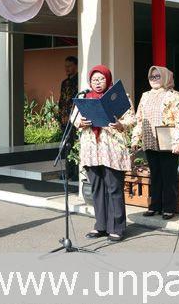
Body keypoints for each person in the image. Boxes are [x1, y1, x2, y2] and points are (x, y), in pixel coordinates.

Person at [73, 65, 135, 242]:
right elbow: (73, 118)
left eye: (101, 79)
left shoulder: (120, 96)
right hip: (92, 149)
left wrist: (121, 125)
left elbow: (132, 118)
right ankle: (100, 225)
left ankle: (117, 227)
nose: (98, 82)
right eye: (94, 79)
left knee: (114, 187)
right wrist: (81, 122)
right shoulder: (85, 98)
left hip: (112, 148)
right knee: (97, 187)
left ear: (108, 79)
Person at [131, 66, 179, 220]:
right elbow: (139, 119)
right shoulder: (145, 95)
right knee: (155, 174)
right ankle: (155, 206)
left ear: (165, 77)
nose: (154, 79)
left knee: (168, 175)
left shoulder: (174, 95)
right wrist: (135, 139)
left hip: (167, 136)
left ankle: (168, 208)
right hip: (149, 137)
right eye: (152, 77)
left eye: (157, 76)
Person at [58, 56, 79, 126]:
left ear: (76, 66)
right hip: (63, 119)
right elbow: (62, 100)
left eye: (69, 66)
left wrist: (70, 116)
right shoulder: (64, 83)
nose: (67, 68)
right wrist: (61, 115)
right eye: (66, 66)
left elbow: (77, 100)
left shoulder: (79, 81)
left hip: (75, 118)